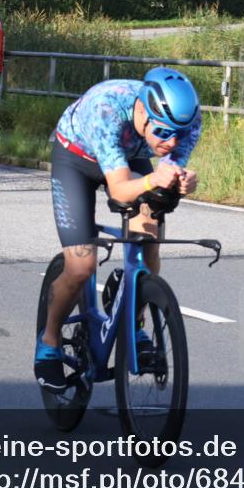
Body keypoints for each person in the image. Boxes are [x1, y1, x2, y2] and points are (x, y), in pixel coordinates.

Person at [35, 67, 202, 392]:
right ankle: (49, 341)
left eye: (178, 134)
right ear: (143, 113)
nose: (171, 142)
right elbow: (120, 190)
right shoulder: (107, 109)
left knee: (148, 241)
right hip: (77, 158)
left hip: (128, 154)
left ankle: (134, 317)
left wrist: (181, 181)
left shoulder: (187, 123)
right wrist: (154, 179)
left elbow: (166, 173)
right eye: (163, 132)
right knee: (80, 266)